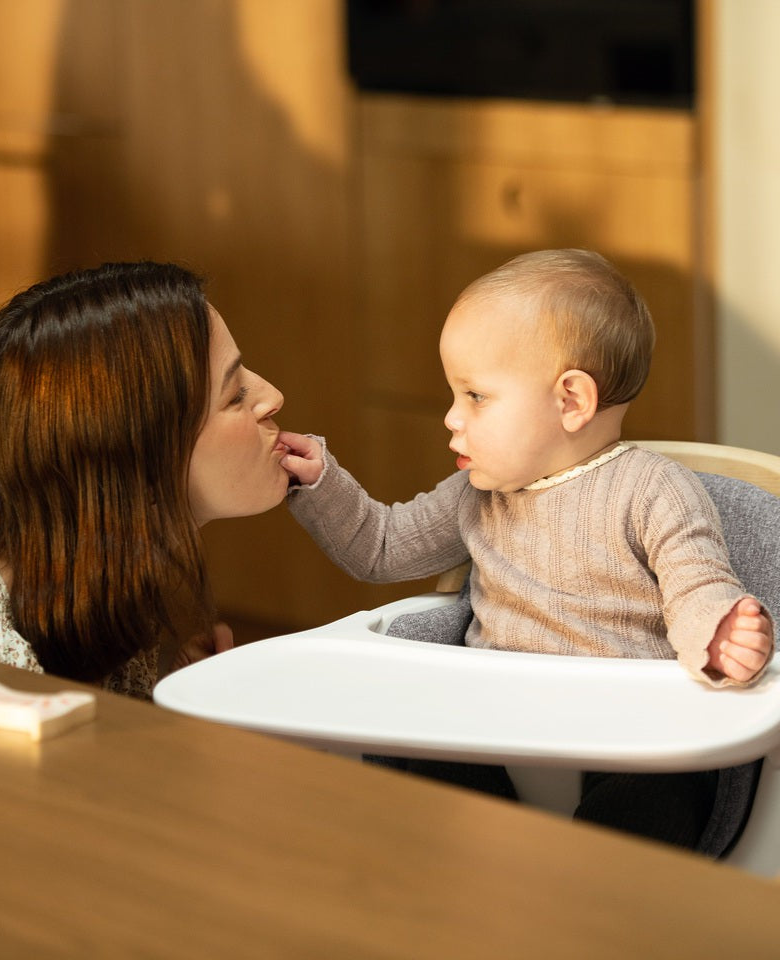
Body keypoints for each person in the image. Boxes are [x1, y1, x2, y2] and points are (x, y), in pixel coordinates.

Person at [278, 248, 774, 849]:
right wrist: (322, 483)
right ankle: (477, 869)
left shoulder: (654, 489)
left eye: (476, 396)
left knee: (658, 792)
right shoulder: (475, 493)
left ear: (571, 400)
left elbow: (696, 585)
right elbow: (381, 547)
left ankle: (598, 903)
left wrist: (719, 635)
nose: (451, 418)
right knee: (424, 752)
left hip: (623, 729)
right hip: (492, 719)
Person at [0, 261, 293, 700]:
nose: (273, 397)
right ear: (133, 455)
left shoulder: (106, 583)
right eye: (235, 395)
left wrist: (166, 713)